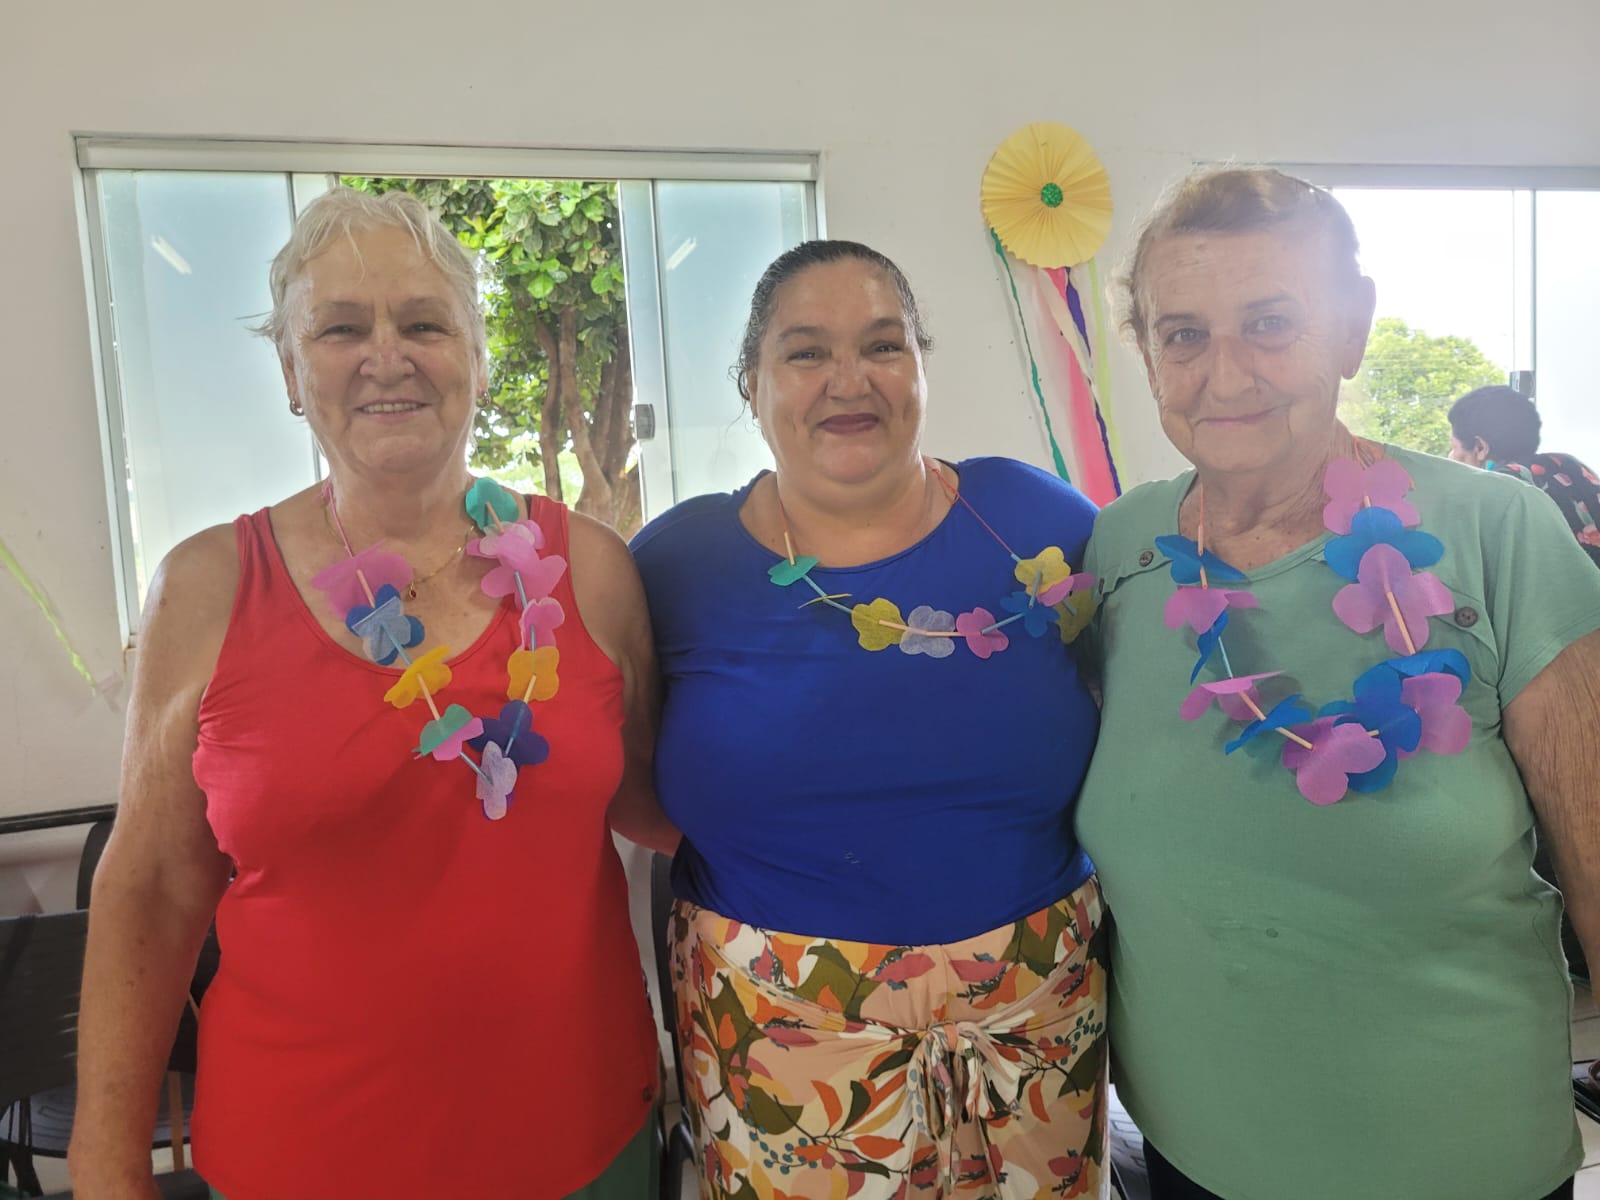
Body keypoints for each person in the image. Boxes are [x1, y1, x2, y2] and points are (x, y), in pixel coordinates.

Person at [68, 188, 666, 1200]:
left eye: (424, 324)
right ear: (290, 373)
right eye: (341, 329)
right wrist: (105, 1163)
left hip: (584, 1141)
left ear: (477, 358)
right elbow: (155, 888)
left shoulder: (595, 569)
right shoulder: (206, 586)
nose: (387, 357)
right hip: (301, 1157)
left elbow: (661, 801)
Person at [1075, 166, 1600, 1200]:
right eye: (1183, 334)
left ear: (1352, 330)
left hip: (1455, 1161)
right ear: (1144, 354)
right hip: (1188, 1150)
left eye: (1271, 323)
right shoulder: (1121, 546)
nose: (1226, 375)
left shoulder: (1498, 532)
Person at [631, 240, 1107, 1199]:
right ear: (753, 383)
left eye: (884, 345)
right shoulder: (675, 563)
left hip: (1034, 1023)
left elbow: (1124, 717)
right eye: (805, 351)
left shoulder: (1037, 520)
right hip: (777, 1035)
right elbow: (623, 774)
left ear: (922, 365)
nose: (848, 380)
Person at [1448, 384, 1600, 568]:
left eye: (1453, 447)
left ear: (1480, 447)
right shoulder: (1566, 463)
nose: (1450, 456)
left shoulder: (1497, 488)